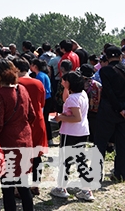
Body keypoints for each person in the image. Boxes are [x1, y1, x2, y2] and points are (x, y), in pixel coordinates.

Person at [0, 59, 35, 211]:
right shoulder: (22, 89)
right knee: (23, 184)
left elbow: (0, 124)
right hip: (25, 138)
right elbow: (32, 114)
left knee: (8, 188)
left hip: (8, 142)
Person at [50, 70, 94, 201]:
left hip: (70, 132)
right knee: (81, 160)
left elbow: (76, 117)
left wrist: (60, 118)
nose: (62, 81)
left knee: (65, 161)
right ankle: (86, 190)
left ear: (70, 83)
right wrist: (65, 88)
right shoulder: (82, 94)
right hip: (82, 132)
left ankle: (61, 187)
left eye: (65, 80)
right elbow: (66, 100)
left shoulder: (73, 99)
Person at [15, 57, 47, 195]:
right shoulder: (38, 83)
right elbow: (42, 103)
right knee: (37, 155)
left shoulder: (15, 84)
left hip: (22, 123)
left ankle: (18, 187)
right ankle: (36, 184)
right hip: (38, 122)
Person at [94, 45, 125, 181]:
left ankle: (96, 174)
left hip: (108, 110)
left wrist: (119, 108)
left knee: (100, 141)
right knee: (122, 143)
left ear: (106, 57)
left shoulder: (105, 71)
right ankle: (120, 173)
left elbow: (109, 92)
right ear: (120, 56)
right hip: (124, 111)